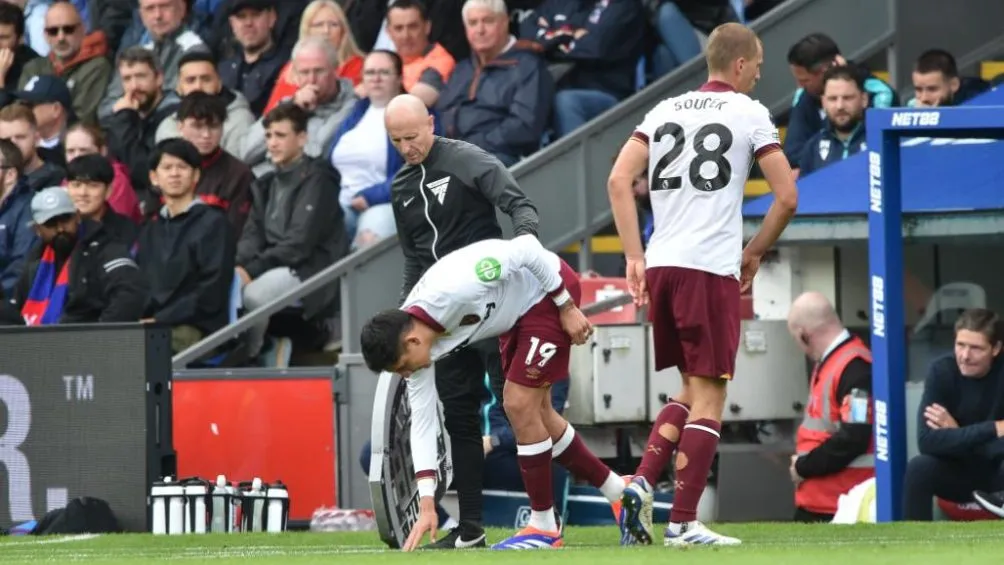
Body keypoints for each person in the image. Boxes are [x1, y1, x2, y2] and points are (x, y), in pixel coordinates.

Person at [606, 22, 798, 546]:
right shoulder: (750, 113)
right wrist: (754, 253)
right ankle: (683, 522)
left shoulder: (663, 109)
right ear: (739, 64)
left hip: (664, 263)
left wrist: (632, 255)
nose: (759, 74)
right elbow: (786, 197)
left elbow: (618, 180)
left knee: (691, 388)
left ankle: (641, 484)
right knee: (713, 392)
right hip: (708, 266)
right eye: (757, 65)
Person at [360, 234, 647, 551]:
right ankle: (621, 491)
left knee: (518, 403)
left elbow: (526, 247)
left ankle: (544, 527)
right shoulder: (414, 346)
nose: (405, 374)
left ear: (412, 343)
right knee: (540, 416)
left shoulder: (456, 288)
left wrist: (565, 305)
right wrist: (427, 503)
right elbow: (424, 424)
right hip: (516, 316)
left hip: (546, 293)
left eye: (402, 366)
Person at [384, 92, 540, 549]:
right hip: (442, 322)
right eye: (397, 141)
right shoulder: (400, 188)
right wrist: (406, 315)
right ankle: (470, 532)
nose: (407, 148)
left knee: (521, 408)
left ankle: (543, 520)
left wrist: (523, 252)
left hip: (493, 308)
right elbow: (414, 259)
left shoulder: (467, 160)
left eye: (412, 137)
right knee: (460, 422)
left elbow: (520, 206)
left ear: (431, 123)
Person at [903, 308, 1004, 520]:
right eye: (960, 345)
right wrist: (993, 428)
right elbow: (927, 441)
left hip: (998, 474)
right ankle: (913, 543)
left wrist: (957, 434)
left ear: (996, 349)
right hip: (961, 470)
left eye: (976, 348)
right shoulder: (942, 371)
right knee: (919, 468)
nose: (965, 356)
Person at [787, 291, 874, 522]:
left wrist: (804, 467)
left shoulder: (854, 367)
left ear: (804, 335)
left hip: (840, 504)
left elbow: (854, 436)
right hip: (824, 500)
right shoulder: (834, 363)